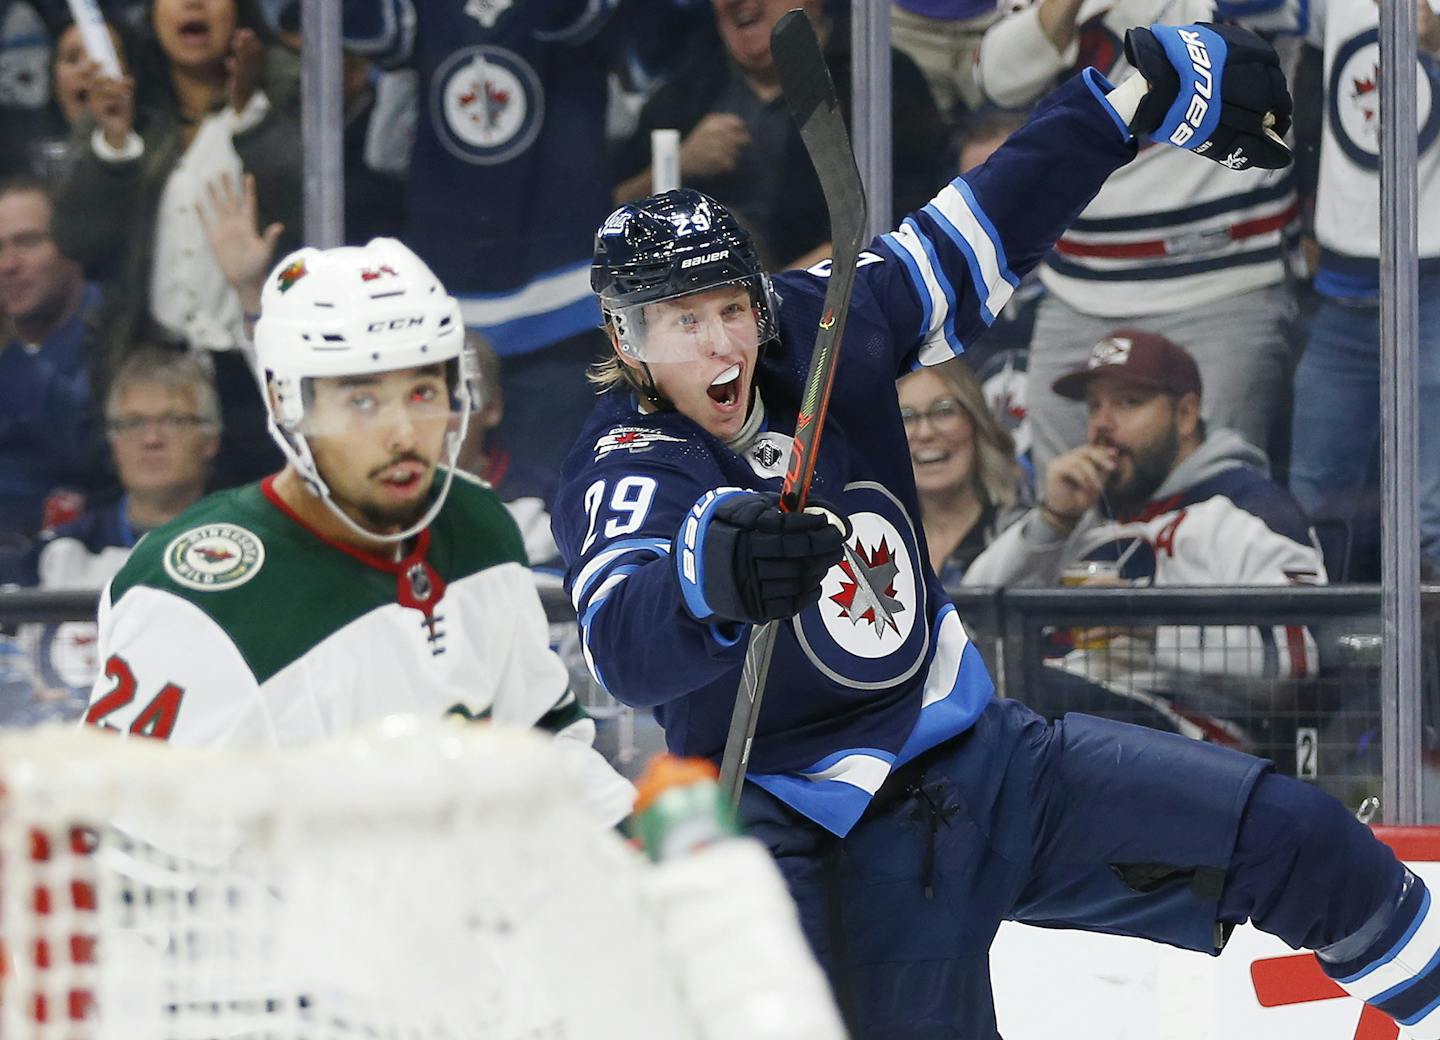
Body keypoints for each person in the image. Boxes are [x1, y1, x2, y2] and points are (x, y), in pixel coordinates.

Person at [552, 26, 1433, 1040]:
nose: (717, 342)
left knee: (1303, 837)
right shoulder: (630, 454)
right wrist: (712, 574)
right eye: (679, 323)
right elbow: (623, 642)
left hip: (986, 762)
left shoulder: (822, 323)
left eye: (728, 308)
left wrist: (1118, 105)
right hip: (804, 823)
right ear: (626, 337)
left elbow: (968, 234)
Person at [84, 238, 634, 829]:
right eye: (363, 400)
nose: (402, 434)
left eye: (422, 393)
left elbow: (542, 745)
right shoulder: (192, 593)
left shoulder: (477, 523)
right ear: (284, 400)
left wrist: (643, 855)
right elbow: (130, 856)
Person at [976, 0, 1300, 477]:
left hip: (1225, 280)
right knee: (1065, 488)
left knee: (1217, 489)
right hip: (1081, 287)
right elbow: (1002, 79)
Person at [963, 331, 1325, 741]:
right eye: (1095, 406)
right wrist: (1052, 520)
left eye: (1128, 402)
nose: (1101, 424)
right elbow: (973, 622)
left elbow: (1299, 663)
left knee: (1016, 701)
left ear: (1186, 415)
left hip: (1190, 739)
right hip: (1070, 722)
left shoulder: (1249, 508)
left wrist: (1148, 624)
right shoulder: (1083, 513)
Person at [52, 0, 301, 489]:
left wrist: (251, 116)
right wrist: (114, 144)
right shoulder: (128, 103)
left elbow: (310, 211)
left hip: (258, 381)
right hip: (152, 375)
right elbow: (77, 238)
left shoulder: (290, 91)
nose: (193, 4)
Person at [611, 0, 949, 271]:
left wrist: (780, 293)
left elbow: (909, 217)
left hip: (840, 298)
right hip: (708, 305)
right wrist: (677, 164)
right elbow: (612, 211)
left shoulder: (877, 76)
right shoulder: (689, 85)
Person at [0, 175, 107, 539]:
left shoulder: (120, 332)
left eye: (27, 242)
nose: (8, 264)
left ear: (73, 244)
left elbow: (89, 455)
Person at [898, 358, 1030, 587]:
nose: (925, 432)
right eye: (906, 417)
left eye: (944, 411)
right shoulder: (873, 538)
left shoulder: (1019, 534)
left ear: (976, 424)